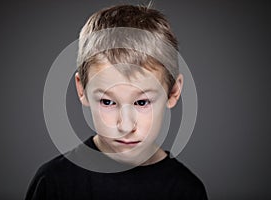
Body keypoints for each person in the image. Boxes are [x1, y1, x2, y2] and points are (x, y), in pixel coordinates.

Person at [25, 4, 208, 200]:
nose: (126, 126)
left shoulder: (186, 190)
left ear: (173, 92)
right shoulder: (53, 183)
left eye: (142, 102)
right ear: (82, 90)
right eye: (108, 102)